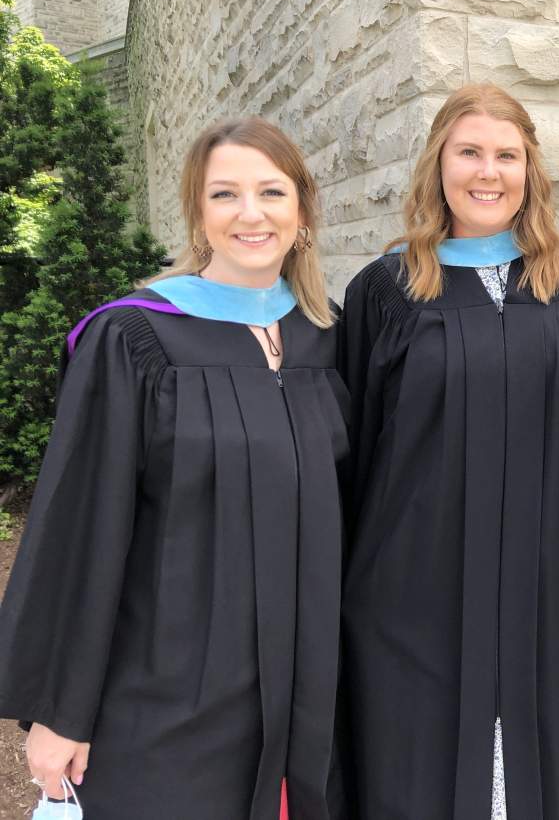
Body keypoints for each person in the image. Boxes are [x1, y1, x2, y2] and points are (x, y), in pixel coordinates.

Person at [0, 117, 349, 820]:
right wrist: (62, 710)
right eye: (224, 195)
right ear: (197, 212)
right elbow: (82, 527)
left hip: (307, 693)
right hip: (166, 687)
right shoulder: (133, 338)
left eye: (271, 192)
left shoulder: (329, 335)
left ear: (303, 212)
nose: (250, 214)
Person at [338, 83, 559, 819]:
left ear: (530, 170)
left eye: (506, 155)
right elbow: (353, 448)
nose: (487, 173)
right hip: (416, 591)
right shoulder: (387, 289)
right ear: (439, 164)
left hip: (557, 586)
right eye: (469, 153)